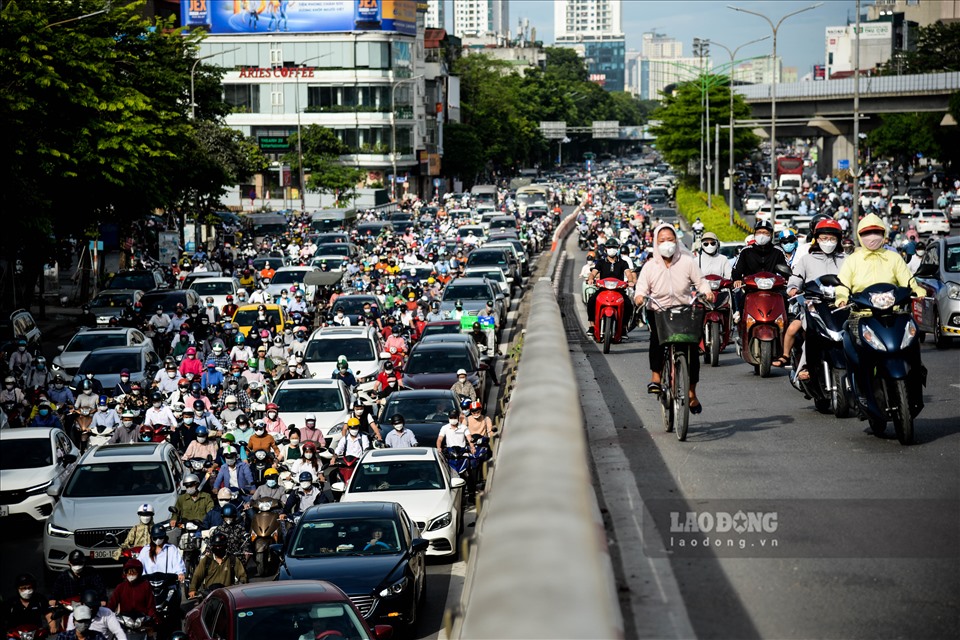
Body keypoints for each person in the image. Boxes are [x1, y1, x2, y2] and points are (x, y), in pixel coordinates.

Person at [835, 213, 927, 415]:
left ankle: (916, 375)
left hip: (894, 314)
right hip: (862, 315)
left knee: (912, 340)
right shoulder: (853, 260)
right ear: (860, 236)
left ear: (883, 233)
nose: (872, 237)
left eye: (876, 232)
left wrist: (917, 291)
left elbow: (908, 280)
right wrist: (841, 297)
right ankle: (860, 389)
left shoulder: (894, 257)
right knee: (855, 350)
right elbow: (842, 285)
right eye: (867, 233)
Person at [634, 223, 714, 413]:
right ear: (655, 243)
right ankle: (656, 378)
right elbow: (641, 288)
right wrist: (639, 297)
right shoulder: (650, 266)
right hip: (659, 311)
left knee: (692, 350)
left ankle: (692, 392)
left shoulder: (687, 262)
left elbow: (701, 282)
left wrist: (707, 292)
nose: (666, 243)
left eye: (670, 239)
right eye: (662, 240)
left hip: (684, 311)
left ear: (676, 241)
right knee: (656, 341)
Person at [781, 218, 846, 376]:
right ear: (817, 239)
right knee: (811, 334)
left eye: (832, 238)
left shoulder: (846, 259)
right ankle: (805, 367)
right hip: (813, 306)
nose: (828, 241)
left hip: (841, 306)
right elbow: (795, 278)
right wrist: (793, 288)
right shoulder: (807, 259)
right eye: (824, 238)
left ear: (838, 240)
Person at [586, 239, 637, 333]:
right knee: (591, 301)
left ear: (618, 249)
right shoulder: (601, 262)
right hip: (602, 290)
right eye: (609, 247)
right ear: (605, 249)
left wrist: (630, 281)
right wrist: (590, 279)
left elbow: (629, 274)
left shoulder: (623, 263)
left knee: (628, 304)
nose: (611, 249)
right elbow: (593, 273)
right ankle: (592, 326)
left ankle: (623, 328)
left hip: (619, 291)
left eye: (614, 247)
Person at [188, 532, 247, 599]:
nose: (218, 548)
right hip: (209, 595)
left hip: (227, 595)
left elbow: (242, 575)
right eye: (216, 546)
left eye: (220, 546)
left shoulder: (232, 559)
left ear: (225, 546)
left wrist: (240, 586)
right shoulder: (206, 560)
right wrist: (192, 589)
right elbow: (197, 575)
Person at [107, 559, 156, 632]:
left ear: (139, 573)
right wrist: (107, 616)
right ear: (125, 573)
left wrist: (153, 617)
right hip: (124, 621)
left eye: (134, 572)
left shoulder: (145, 585)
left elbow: (150, 605)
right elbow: (111, 604)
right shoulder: (120, 587)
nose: (131, 574)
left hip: (142, 621)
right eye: (129, 572)